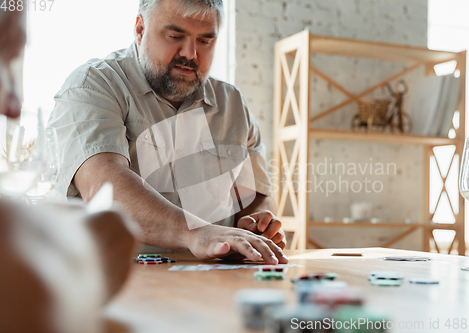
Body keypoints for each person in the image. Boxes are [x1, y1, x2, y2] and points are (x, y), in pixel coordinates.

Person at [48, 0, 289, 264]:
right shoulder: (93, 85)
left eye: (205, 41)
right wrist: (198, 233)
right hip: (112, 281)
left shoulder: (233, 104)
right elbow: (104, 184)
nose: (191, 53)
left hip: (211, 286)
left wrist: (257, 224)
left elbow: (257, 195)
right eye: (175, 36)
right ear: (140, 29)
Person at [0, 9, 136, 333]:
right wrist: (83, 242)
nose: (14, 104)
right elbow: (31, 300)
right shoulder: (93, 82)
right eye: (2, 56)